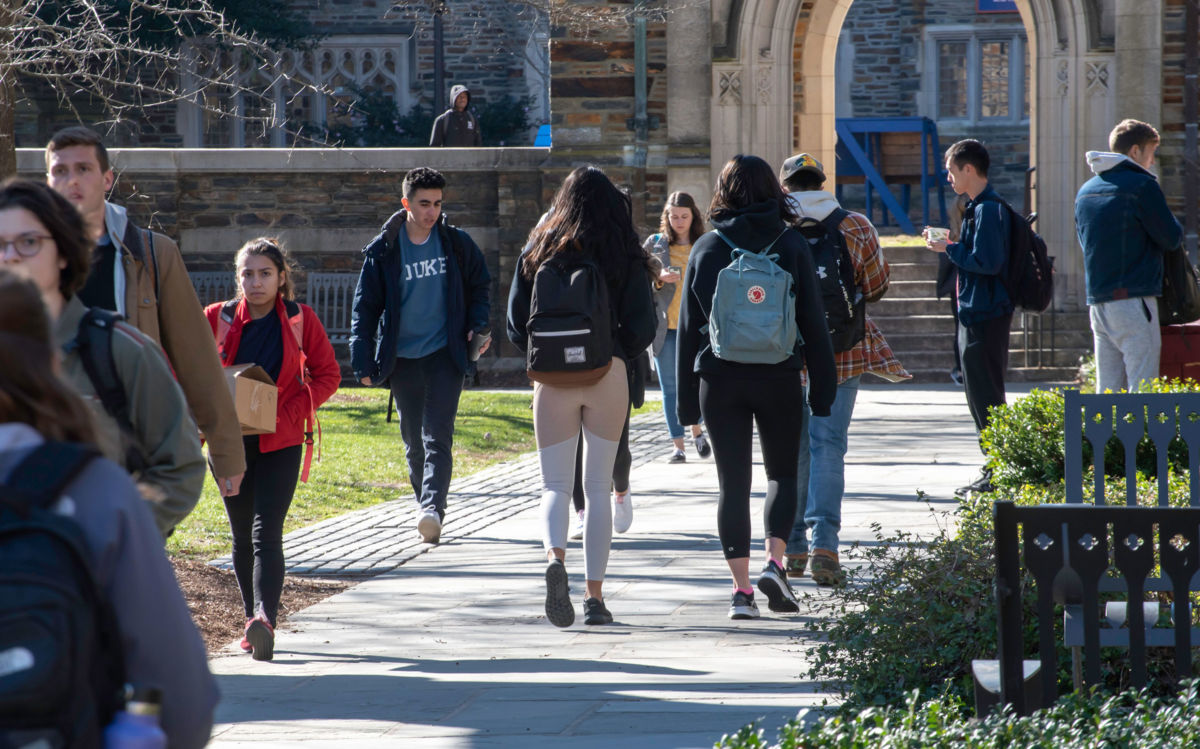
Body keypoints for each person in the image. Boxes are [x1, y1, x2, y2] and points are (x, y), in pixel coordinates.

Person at [0, 270, 218, 749]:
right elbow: (183, 702)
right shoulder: (98, 492)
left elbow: (177, 462)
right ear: (51, 362)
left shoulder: (123, 350)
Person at [44, 126, 246, 501]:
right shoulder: (22, 256)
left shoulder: (152, 254)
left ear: (107, 179)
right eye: (60, 170)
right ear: (48, 180)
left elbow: (196, 358)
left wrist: (226, 449)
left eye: (84, 169)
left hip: (130, 439)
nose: (72, 180)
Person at [676, 154, 837, 620]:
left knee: (733, 483)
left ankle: (742, 592)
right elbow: (813, 321)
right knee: (782, 475)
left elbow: (689, 329)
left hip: (719, 379)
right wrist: (822, 388)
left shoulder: (707, 246)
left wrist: (688, 406)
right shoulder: (791, 244)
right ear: (774, 190)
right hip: (780, 375)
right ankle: (774, 563)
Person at [0, 178, 205, 539]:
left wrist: (111, 534)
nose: (10, 256)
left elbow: (179, 469)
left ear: (63, 252)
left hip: (92, 580)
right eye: (0, 244)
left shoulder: (124, 352)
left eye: (28, 242)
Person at [506, 166, 656, 627]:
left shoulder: (538, 247)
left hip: (551, 381)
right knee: (595, 489)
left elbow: (515, 324)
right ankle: (594, 598)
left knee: (554, 485)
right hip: (606, 372)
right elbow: (643, 327)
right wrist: (615, 354)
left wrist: (551, 358)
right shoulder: (622, 250)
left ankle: (555, 558)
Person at [777, 153, 911, 586]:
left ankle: (792, 546)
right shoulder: (853, 225)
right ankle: (825, 545)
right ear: (821, 183)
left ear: (787, 187)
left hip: (786, 353)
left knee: (792, 449)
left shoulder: (776, 225)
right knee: (828, 445)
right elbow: (876, 286)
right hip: (842, 352)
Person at [205, 238, 341, 661]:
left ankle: (265, 617)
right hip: (229, 443)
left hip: (281, 441)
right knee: (242, 532)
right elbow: (185, 371)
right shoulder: (216, 319)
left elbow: (328, 374)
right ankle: (252, 620)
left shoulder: (301, 320)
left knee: (267, 530)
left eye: (265, 273)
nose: (256, 282)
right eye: (248, 273)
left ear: (282, 278)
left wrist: (290, 410)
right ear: (237, 277)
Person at [350, 167, 492, 544]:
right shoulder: (384, 250)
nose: (432, 212)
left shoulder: (456, 243)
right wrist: (362, 359)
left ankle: (433, 508)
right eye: (424, 204)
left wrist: (478, 326)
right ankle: (424, 504)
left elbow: (480, 286)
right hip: (402, 358)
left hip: (446, 353)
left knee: (438, 436)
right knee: (414, 441)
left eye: (438, 204)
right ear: (406, 203)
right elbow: (365, 308)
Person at [924, 139, 1013, 496]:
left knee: (987, 396)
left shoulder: (989, 210)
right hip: (974, 311)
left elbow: (988, 262)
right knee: (977, 397)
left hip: (986, 314)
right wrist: (952, 244)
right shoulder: (977, 208)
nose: (948, 177)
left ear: (969, 169)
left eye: (951, 170)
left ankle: (1000, 470)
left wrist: (950, 248)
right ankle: (993, 468)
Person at [1076, 119, 1184, 394]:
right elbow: (1171, 237)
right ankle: (1139, 439)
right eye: (1151, 153)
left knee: (1107, 394)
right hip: (1135, 298)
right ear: (1135, 152)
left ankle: (1104, 439)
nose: (1151, 162)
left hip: (1098, 301)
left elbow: (1085, 242)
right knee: (1142, 389)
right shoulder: (1142, 185)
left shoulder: (1085, 192)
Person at [644, 192, 712, 464]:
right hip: (665, 328)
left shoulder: (705, 243)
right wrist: (659, 279)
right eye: (674, 216)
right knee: (670, 388)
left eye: (684, 216)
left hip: (697, 328)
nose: (679, 221)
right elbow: (638, 284)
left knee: (697, 384)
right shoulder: (655, 244)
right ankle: (678, 446)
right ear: (667, 217)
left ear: (693, 216)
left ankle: (697, 431)